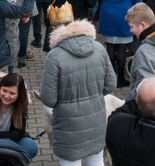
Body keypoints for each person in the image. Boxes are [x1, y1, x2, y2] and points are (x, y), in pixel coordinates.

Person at [39, 18, 116, 166]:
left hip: (68, 124)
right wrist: (95, 95)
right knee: (96, 160)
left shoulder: (54, 56)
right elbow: (111, 84)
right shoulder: (99, 49)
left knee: (70, 162)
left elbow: (48, 98)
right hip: (96, 119)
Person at [95, 0, 142, 88]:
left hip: (108, 14)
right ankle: (121, 78)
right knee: (122, 47)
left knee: (110, 46)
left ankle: (109, 78)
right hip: (125, 15)